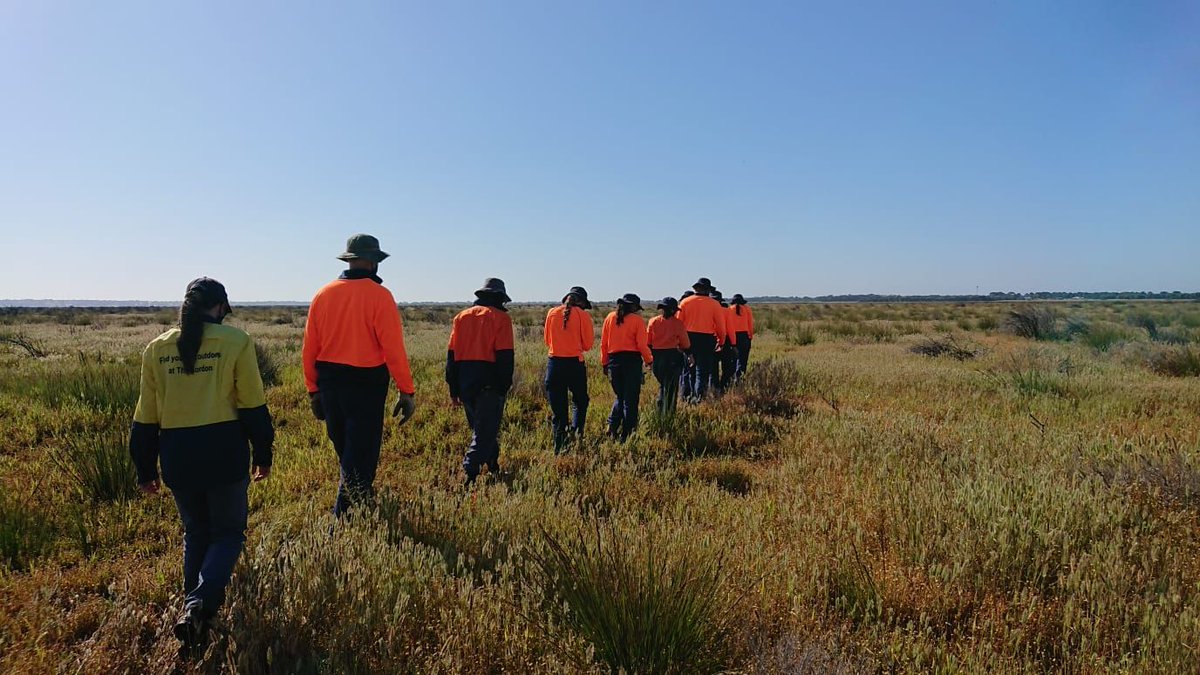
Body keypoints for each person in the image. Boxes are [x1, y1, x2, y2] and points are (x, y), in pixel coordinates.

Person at [128, 277, 274, 657]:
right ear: (222, 307)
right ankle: (199, 605)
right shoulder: (236, 341)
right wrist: (263, 453)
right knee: (227, 534)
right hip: (224, 451)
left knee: (196, 533)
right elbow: (253, 405)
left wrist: (145, 469)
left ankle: (193, 621)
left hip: (177, 454)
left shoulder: (156, 349)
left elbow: (145, 417)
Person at [303, 234, 416, 517]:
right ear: (373, 261)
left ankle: (361, 506)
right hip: (366, 385)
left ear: (350, 260)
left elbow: (309, 348)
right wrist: (406, 390)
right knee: (360, 457)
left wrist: (313, 390)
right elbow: (393, 349)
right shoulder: (380, 296)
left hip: (329, 383)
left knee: (347, 453)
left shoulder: (323, 294)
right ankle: (341, 523)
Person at [446, 278, 514, 485]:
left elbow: (451, 357)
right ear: (499, 297)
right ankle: (468, 474)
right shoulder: (501, 319)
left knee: (483, 429)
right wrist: (503, 386)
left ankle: (493, 465)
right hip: (490, 384)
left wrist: (453, 389)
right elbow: (505, 357)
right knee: (484, 433)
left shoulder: (461, 317)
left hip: (465, 383)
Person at [544, 286, 595, 453]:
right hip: (575, 365)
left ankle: (560, 447)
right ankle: (577, 434)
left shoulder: (551, 313)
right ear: (581, 302)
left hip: (554, 365)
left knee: (559, 411)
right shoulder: (583, 316)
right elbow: (587, 345)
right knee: (580, 401)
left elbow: (547, 341)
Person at [601, 294, 653, 441]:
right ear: (634, 307)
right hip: (631, 362)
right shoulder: (637, 321)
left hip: (613, 362)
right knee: (631, 400)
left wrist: (604, 363)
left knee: (620, 396)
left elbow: (604, 344)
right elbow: (641, 345)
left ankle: (612, 427)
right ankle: (628, 433)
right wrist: (649, 361)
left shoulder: (610, 318)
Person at [677, 278, 727, 401]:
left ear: (696, 288)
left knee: (689, 370)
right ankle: (699, 398)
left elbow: (678, 324)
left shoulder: (685, 302)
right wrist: (721, 342)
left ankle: (686, 396)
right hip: (706, 340)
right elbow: (721, 327)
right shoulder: (714, 304)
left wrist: (679, 341)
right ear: (708, 290)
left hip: (688, 339)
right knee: (702, 372)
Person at [646, 297, 691, 415]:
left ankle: (661, 410)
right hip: (673, 357)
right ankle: (669, 412)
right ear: (673, 311)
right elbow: (685, 343)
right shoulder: (678, 324)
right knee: (671, 387)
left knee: (663, 385)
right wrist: (688, 353)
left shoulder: (653, 321)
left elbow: (648, 342)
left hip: (657, 357)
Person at [728, 294, 755, 379]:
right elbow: (750, 324)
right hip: (744, 336)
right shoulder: (747, 309)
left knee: (732, 358)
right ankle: (739, 378)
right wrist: (750, 336)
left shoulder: (729, 309)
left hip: (732, 336)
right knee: (743, 359)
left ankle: (730, 378)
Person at [678, 289, 696, 402]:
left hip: (680, 343)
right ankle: (690, 394)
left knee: (684, 370)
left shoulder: (681, 309)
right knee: (690, 370)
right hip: (687, 341)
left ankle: (684, 394)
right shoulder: (694, 308)